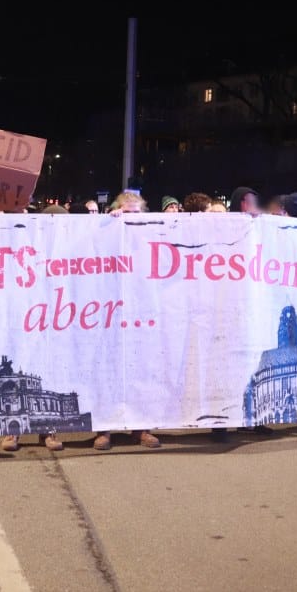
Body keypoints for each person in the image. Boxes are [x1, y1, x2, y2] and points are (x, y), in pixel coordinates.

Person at [92, 191, 161, 450]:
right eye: (126, 211)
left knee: (141, 370)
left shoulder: (151, 233)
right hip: (109, 312)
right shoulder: (109, 230)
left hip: (141, 311)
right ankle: (104, 429)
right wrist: (109, 222)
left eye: (136, 212)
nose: (131, 217)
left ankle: (141, 428)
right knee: (108, 371)